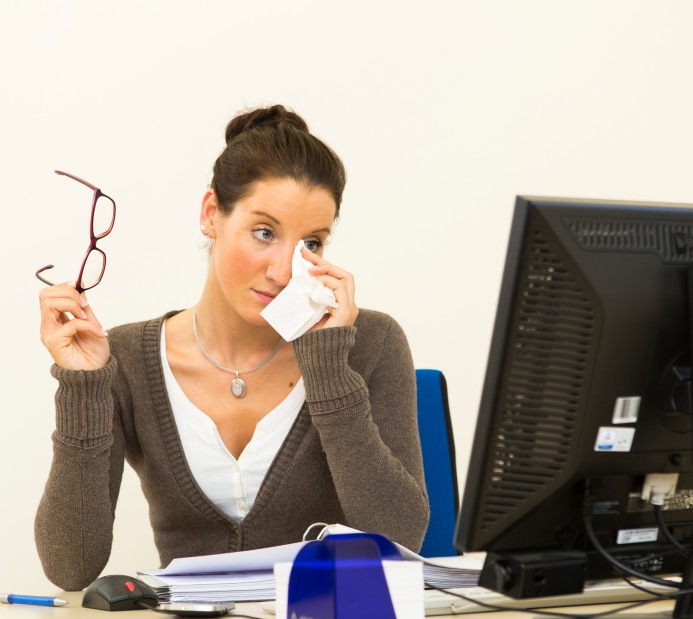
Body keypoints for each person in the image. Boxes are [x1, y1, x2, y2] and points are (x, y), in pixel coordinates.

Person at [34, 104, 429, 591]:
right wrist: (83, 387)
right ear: (211, 215)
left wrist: (328, 370)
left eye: (312, 244)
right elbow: (70, 567)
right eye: (264, 233)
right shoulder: (126, 360)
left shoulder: (369, 343)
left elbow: (400, 543)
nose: (283, 271)